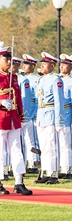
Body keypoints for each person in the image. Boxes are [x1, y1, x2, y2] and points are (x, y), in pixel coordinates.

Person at [0, 46, 32, 195]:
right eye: (6, 59)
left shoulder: (14, 77)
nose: (9, 62)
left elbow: (18, 98)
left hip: (13, 118)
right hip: (1, 118)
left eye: (10, 59)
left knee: (16, 149)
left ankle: (19, 181)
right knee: (1, 152)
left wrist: (21, 116)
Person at [34, 52, 65, 185]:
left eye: (45, 64)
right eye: (41, 64)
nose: (42, 66)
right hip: (41, 115)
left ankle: (53, 173)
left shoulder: (56, 80)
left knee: (52, 145)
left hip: (51, 115)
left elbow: (59, 102)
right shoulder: (41, 79)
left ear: (52, 66)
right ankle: (46, 171)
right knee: (44, 146)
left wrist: (59, 121)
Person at [58, 54, 72, 179]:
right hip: (60, 116)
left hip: (68, 114)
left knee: (68, 144)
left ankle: (69, 169)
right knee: (61, 143)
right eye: (61, 64)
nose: (61, 66)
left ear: (71, 66)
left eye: (65, 64)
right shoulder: (59, 80)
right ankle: (63, 167)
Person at [21, 54, 40, 173]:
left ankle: (34, 163)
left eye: (27, 64)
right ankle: (28, 163)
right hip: (25, 112)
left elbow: (38, 99)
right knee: (25, 140)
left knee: (33, 140)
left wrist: (35, 114)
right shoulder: (23, 78)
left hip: (33, 112)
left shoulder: (37, 79)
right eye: (24, 64)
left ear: (33, 66)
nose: (24, 66)